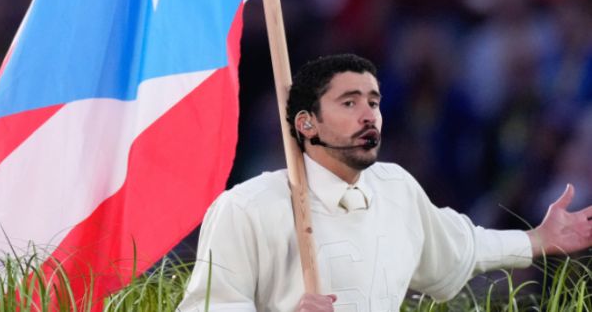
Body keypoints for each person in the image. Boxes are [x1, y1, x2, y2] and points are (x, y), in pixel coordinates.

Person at [177, 54, 592, 312]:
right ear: (306, 123)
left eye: (374, 102)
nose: (368, 115)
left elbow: (461, 244)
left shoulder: (396, 188)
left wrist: (537, 240)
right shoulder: (245, 207)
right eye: (349, 102)